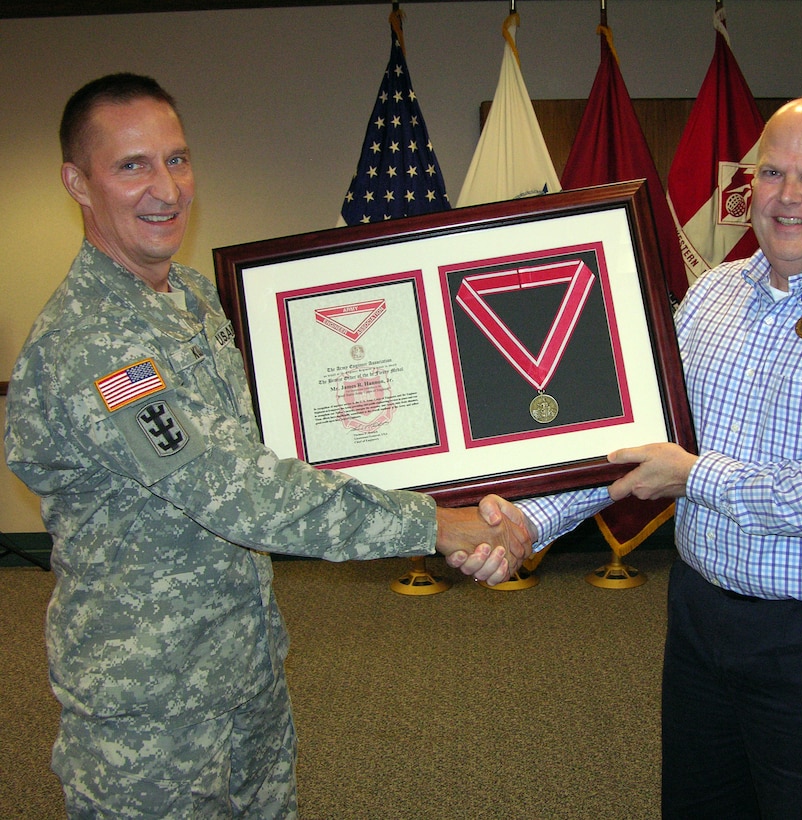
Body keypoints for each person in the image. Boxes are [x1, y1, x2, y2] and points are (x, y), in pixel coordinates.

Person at [3, 73, 533, 818]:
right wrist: (436, 521)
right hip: (151, 711)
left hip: (241, 669)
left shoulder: (188, 298)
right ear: (77, 182)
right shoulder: (94, 344)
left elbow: (275, 436)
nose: (166, 188)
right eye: (132, 166)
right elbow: (234, 488)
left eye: (177, 159)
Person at [507, 97, 802, 818]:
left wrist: (693, 475)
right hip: (701, 624)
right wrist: (529, 523)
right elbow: (640, 443)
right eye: (772, 172)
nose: (786, 197)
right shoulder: (712, 293)